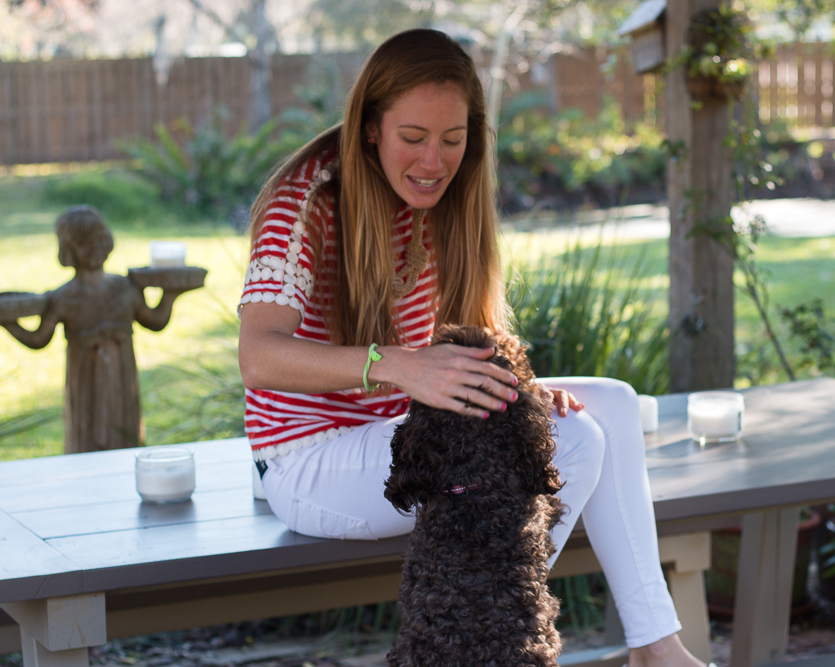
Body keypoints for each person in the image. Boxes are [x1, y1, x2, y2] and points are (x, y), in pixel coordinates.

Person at [237, 29, 705, 667]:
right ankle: (495, 647)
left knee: (611, 408)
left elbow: (472, 338)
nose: (433, 162)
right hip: (308, 462)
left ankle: (657, 649)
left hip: (409, 431)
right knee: (575, 441)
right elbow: (259, 356)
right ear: (371, 127)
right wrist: (397, 366)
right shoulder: (308, 204)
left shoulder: (447, 199)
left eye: (452, 141)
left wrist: (517, 390)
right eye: (413, 138)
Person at [0, 206, 193, 453]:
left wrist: (170, 295)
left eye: (100, 240)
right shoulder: (65, 297)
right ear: (69, 251)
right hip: (85, 380)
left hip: (122, 378)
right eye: (85, 243)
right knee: (85, 428)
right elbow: (40, 338)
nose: (96, 248)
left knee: (125, 427)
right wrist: (9, 322)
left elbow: (154, 321)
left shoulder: (124, 288)